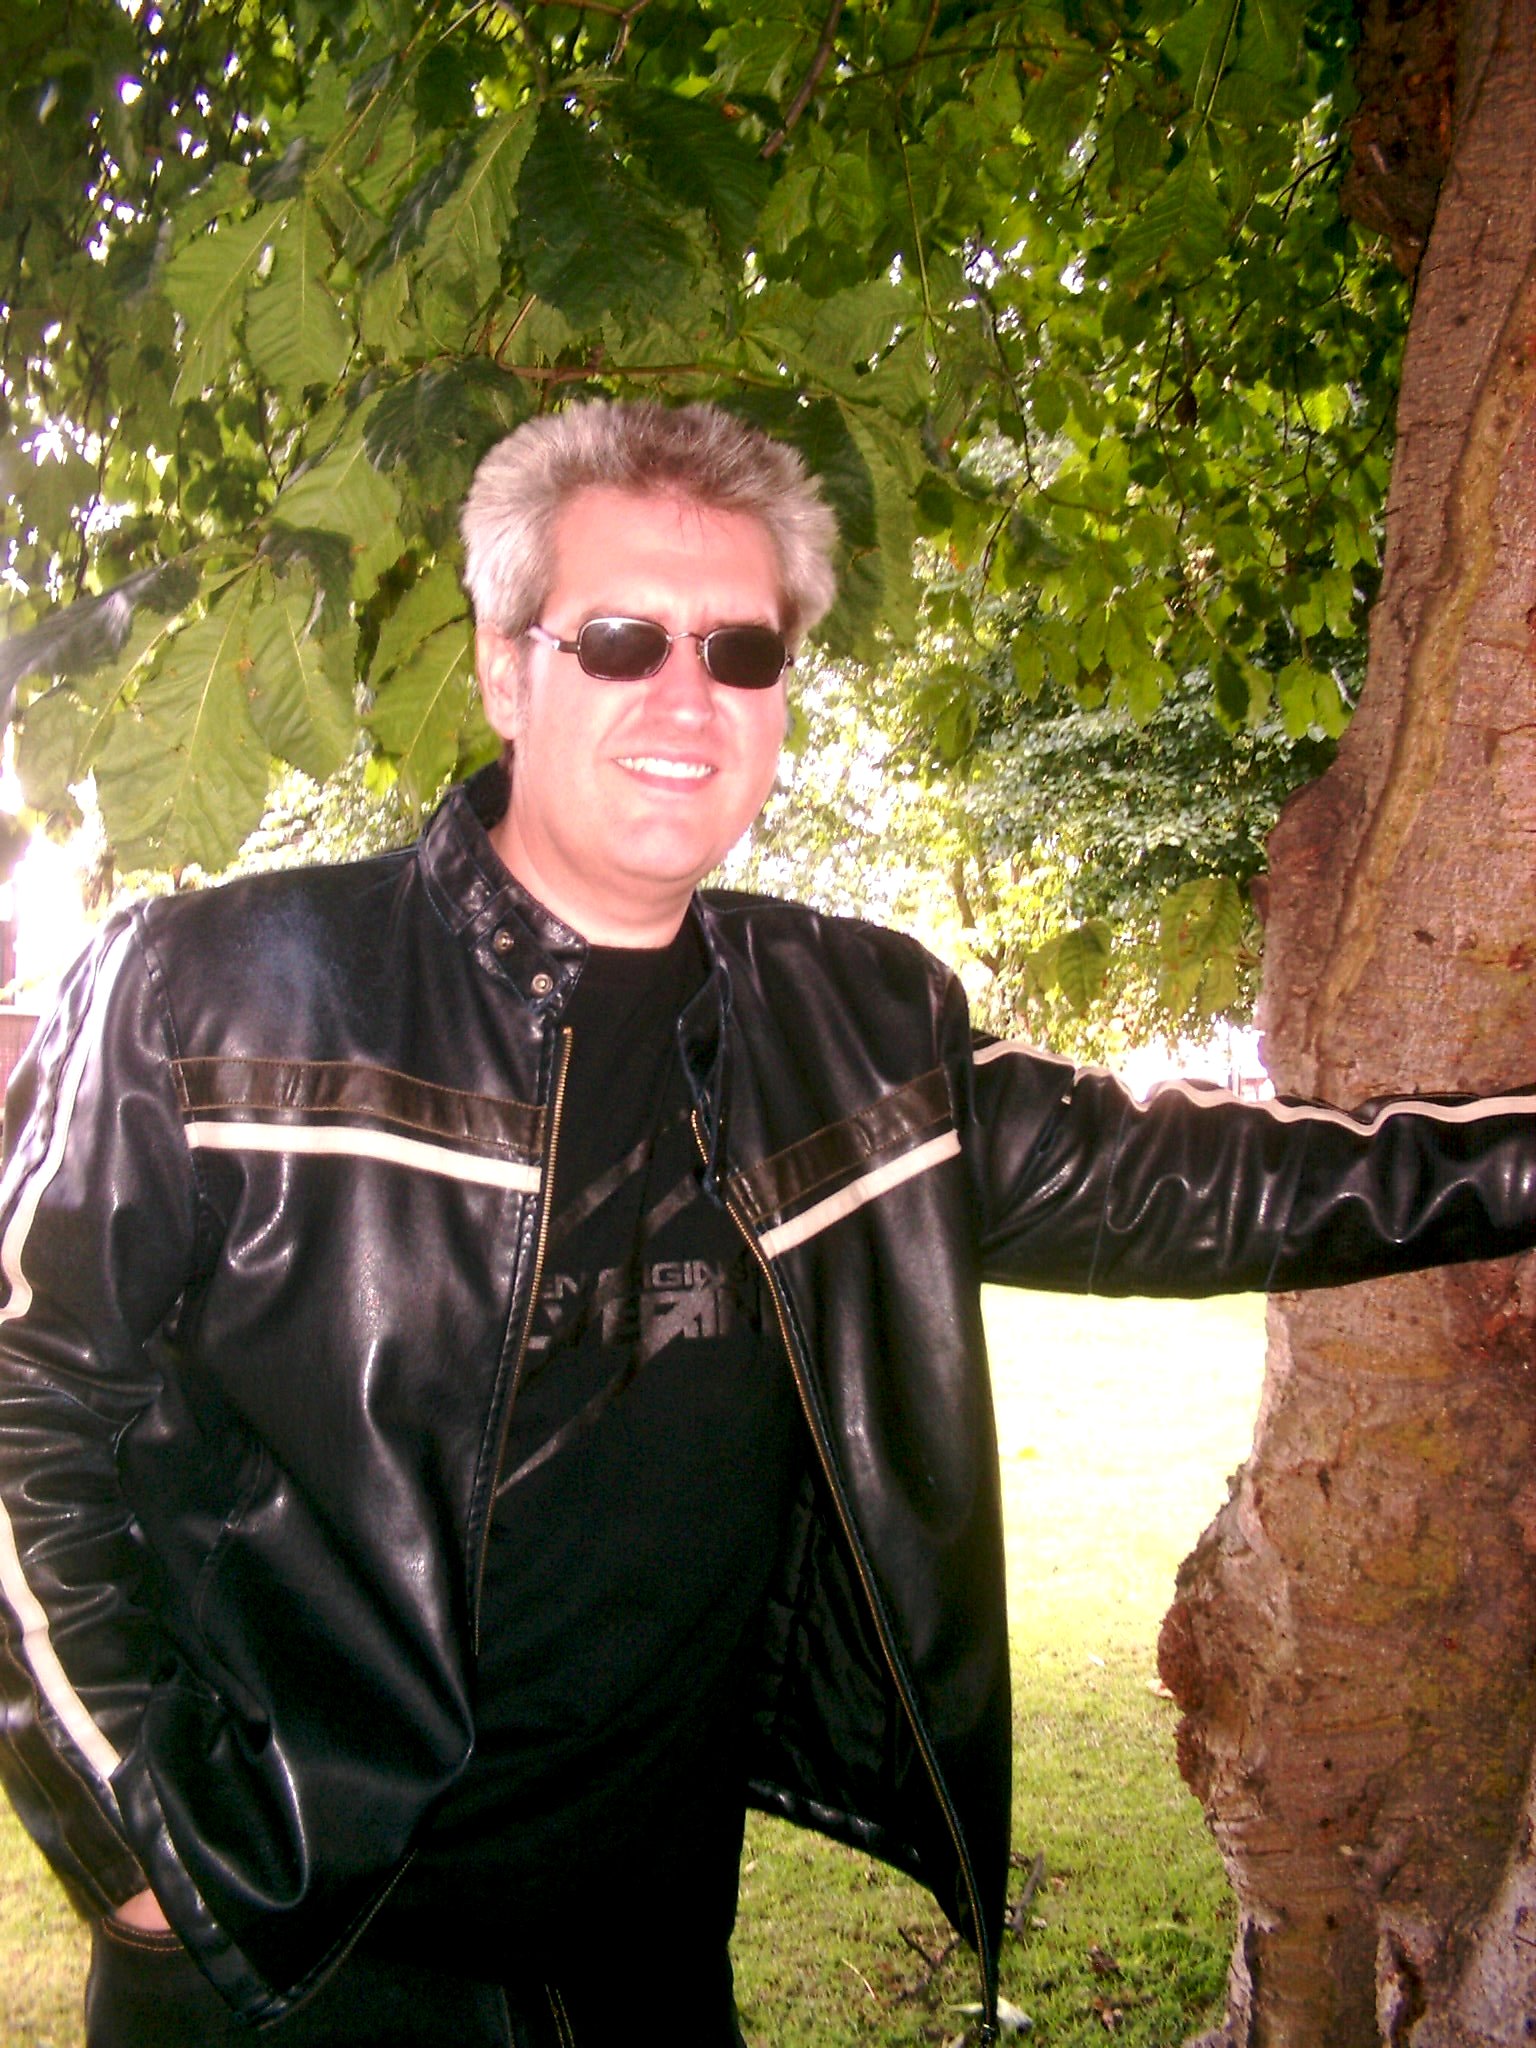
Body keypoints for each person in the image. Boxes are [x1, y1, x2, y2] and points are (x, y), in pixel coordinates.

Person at [0, 400, 1532, 2048]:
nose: (688, 699)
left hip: (653, 1964)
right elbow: (26, 1400)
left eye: (741, 650)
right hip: (293, 1969)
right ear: (507, 671)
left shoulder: (851, 1028)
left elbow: (1206, 1179)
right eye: (619, 640)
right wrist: (127, 1836)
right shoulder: (217, 995)